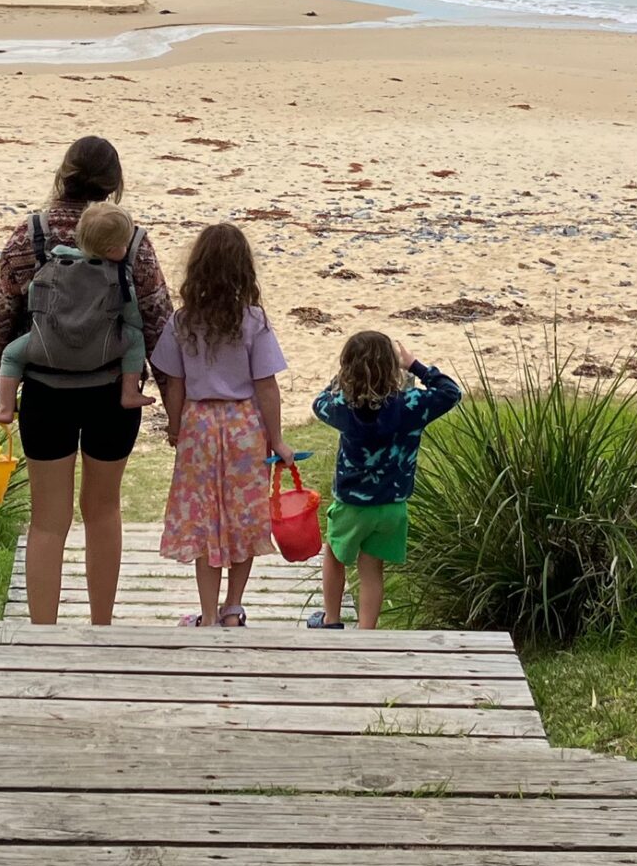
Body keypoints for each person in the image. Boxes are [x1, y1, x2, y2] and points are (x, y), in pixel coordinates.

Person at [0, 137, 171, 624]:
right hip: (112, 395)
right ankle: (101, 626)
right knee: (103, 511)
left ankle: (43, 631)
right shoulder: (132, 244)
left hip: (45, 394)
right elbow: (160, 327)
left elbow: (0, 322)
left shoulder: (29, 236)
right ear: (115, 185)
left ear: (62, 174)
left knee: (47, 521)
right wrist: (177, 409)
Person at [153, 222, 287, 627]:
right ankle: (234, 606)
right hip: (244, 424)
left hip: (199, 424)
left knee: (203, 518)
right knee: (243, 515)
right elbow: (267, 386)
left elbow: (173, 383)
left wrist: (176, 427)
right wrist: (276, 438)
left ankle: (208, 614)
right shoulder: (254, 321)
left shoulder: (183, 322)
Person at [307, 331, 463, 631]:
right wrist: (415, 365)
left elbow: (319, 403)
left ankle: (331, 619)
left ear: (348, 369)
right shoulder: (411, 405)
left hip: (352, 504)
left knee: (335, 556)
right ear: (393, 368)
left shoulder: (342, 407)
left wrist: (340, 380)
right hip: (393, 505)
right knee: (372, 569)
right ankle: (367, 631)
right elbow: (450, 392)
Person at [0, 202, 148, 421]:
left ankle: (5, 408)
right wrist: (134, 324)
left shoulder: (54, 265)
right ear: (113, 250)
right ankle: (130, 392)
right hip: (100, 354)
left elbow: (36, 299)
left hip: (46, 350)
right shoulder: (117, 278)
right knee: (135, 338)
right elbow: (133, 317)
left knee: (10, 355)